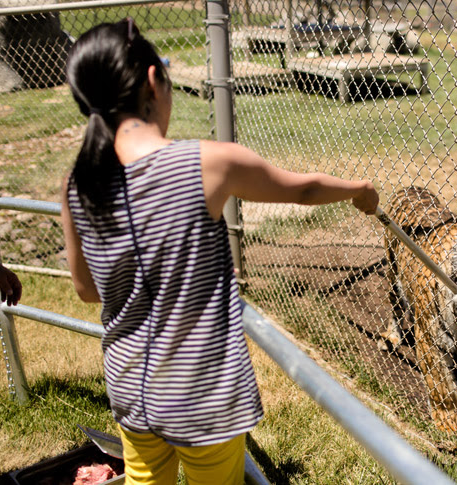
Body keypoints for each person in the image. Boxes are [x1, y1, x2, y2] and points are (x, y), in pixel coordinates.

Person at [61, 19, 378, 485]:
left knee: (146, 480)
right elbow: (304, 190)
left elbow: (87, 290)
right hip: (200, 392)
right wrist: (360, 190)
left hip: (130, 383)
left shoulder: (77, 185)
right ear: (154, 81)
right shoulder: (205, 163)